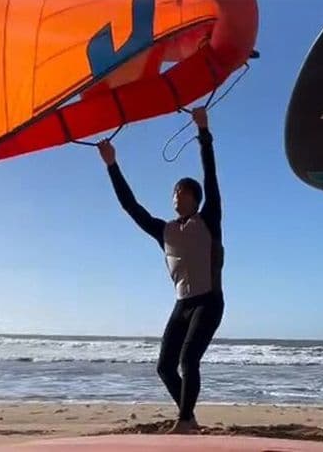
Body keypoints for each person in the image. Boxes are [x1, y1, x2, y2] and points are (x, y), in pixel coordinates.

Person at [97, 106, 224, 434]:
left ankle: (183, 421)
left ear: (194, 199)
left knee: (188, 360)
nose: (175, 198)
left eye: (182, 193)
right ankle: (190, 417)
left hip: (208, 301)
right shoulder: (163, 230)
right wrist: (112, 164)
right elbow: (131, 206)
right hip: (182, 305)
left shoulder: (209, 219)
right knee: (165, 367)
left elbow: (211, 176)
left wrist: (203, 132)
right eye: (173, 194)